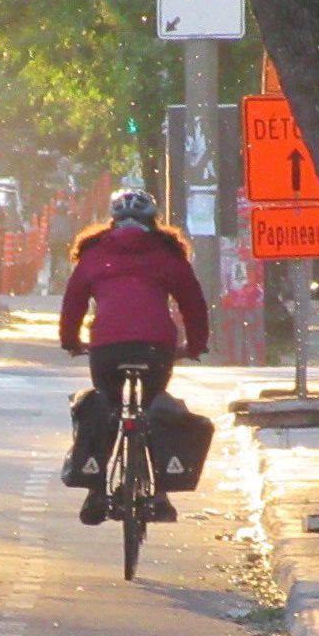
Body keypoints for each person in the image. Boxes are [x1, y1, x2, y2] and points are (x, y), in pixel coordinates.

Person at [59, 187, 210, 526]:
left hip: (107, 348)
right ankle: (160, 495)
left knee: (106, 406)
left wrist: (71, 341)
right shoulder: (169, 255)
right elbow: (193, 305)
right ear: (153, 222)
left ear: (111, 221)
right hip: (156, 346)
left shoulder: (94, 254)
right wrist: (196, 345)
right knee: (155, 405)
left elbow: (73, 304)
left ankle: (96, 490)